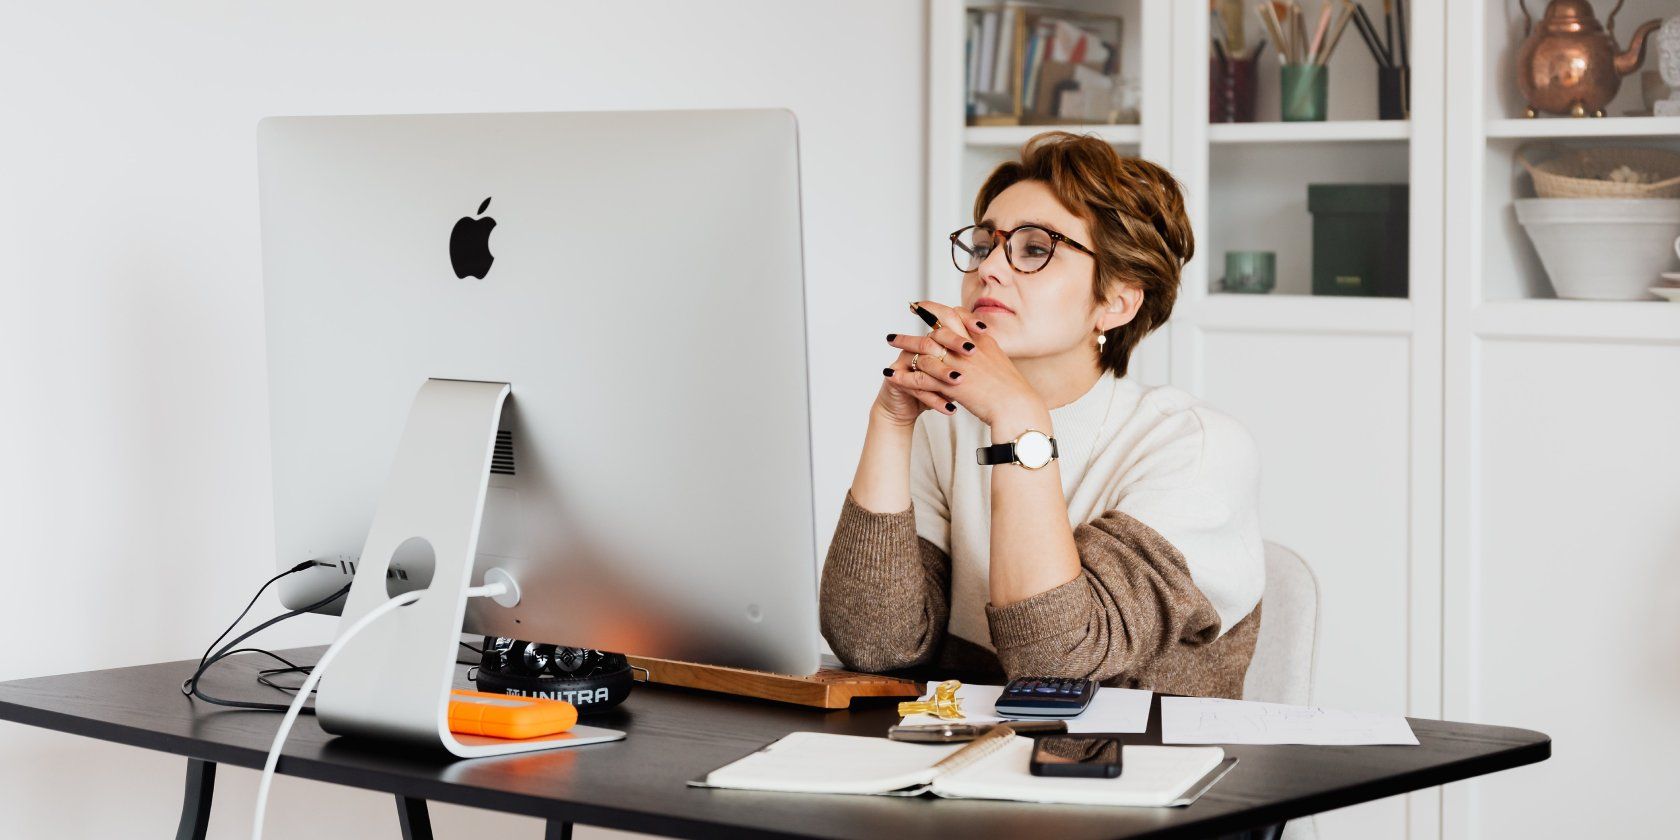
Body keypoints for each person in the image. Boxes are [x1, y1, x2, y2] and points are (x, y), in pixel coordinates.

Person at [819, 131, 1264, 699]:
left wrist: (1019, 417)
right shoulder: (945, 424)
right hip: (968, 747)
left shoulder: (1197, 447)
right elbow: (874, 644)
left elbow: (1056, 665)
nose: (989, 268)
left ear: (1116, 302)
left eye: (1034, 249)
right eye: (985, 245)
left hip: (1130, 752)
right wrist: (891, 418)